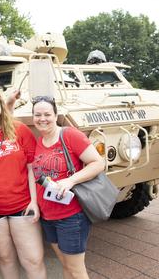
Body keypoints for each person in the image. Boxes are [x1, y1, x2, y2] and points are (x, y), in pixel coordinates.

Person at [0, 88, 47, 279]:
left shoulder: (19, 129)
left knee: (33, 259)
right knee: (5, 259)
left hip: (22, 204)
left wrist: (34, 201)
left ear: (0, 102)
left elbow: (31, 167)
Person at [31, 96, 105, 279]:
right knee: (66, 266)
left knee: (77, 271)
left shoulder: (70, 135)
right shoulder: (39, 142)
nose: (42, 118)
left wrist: (70, 181)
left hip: (71, 216)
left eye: (47, 114)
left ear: (55, 115)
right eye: (37, 115)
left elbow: (98, 163)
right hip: (48, 216)